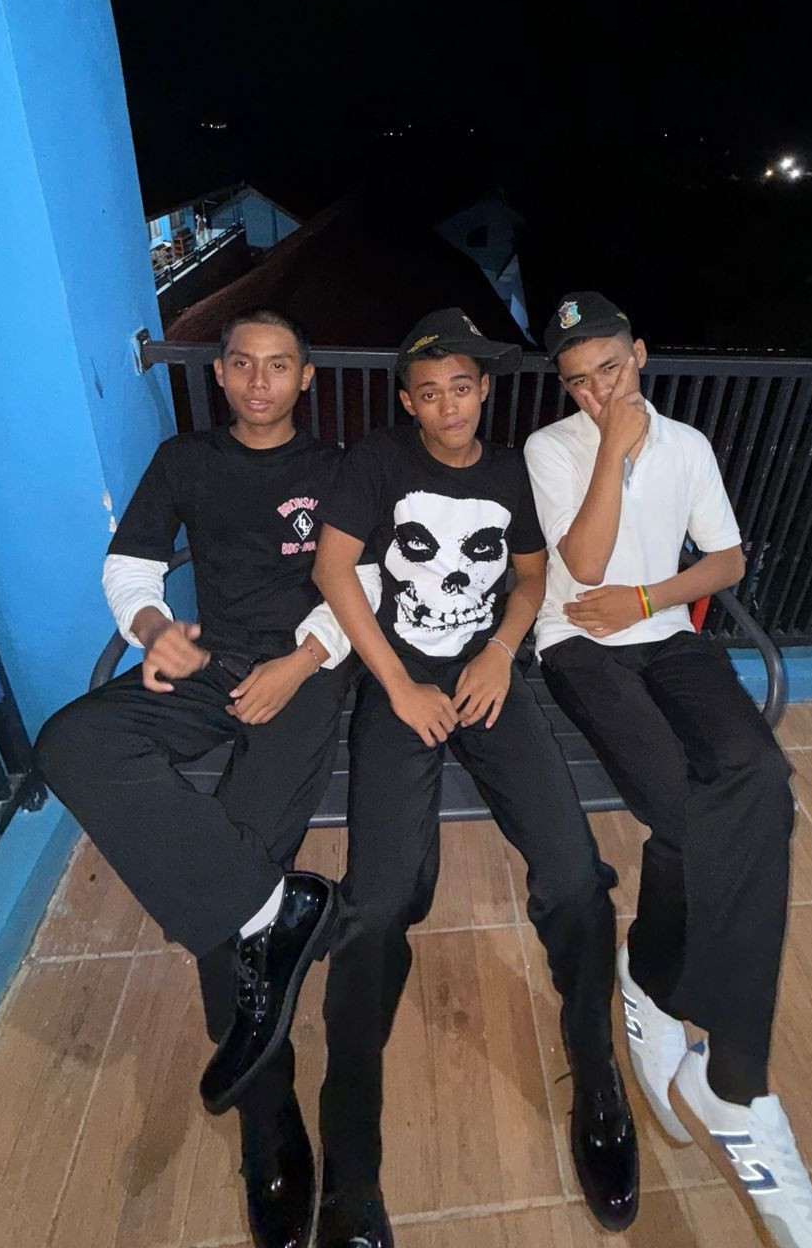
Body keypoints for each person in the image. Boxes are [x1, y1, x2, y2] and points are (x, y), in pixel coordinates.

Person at [35, 309, 380, 1248]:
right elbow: (131, 566)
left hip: (306, 671)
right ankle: (280, 907)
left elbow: (369, 583)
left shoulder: (340, 468)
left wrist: (301, 663)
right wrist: (155, 633)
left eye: (279, 365)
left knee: (235, 853)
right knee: (70, 743)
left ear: (306, 377)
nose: (260, 381)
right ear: (221, 375)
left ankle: (269, 1114)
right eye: (243, 365)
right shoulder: (185, 459)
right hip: (209, 660)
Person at [523, 290, 812, 1248]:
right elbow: (583, 567)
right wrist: (612, 452)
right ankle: (732, 1078)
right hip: (579, 646)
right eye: (578, 383)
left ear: (641, 356)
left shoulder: (692, 445)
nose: (596, 393)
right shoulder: (552, 450)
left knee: (762, 785)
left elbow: (729, 560)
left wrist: (651, 598)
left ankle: (654, 982)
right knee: (689, 813)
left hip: (665, 636)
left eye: (610, 370)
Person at [310, 309, 636, 1248]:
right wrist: (397, 684)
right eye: (429, 393)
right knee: (377, 904)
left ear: (484, 391)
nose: (449, 406)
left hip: (488, 680)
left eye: (462, 387)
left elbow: (529, 576)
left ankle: (596, 1069)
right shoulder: (377, 461)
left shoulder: (507, 474)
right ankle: (352, 1161)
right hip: (400, 683)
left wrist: (498, 653)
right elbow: (335, 572)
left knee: (575, 875)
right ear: (408, 402)